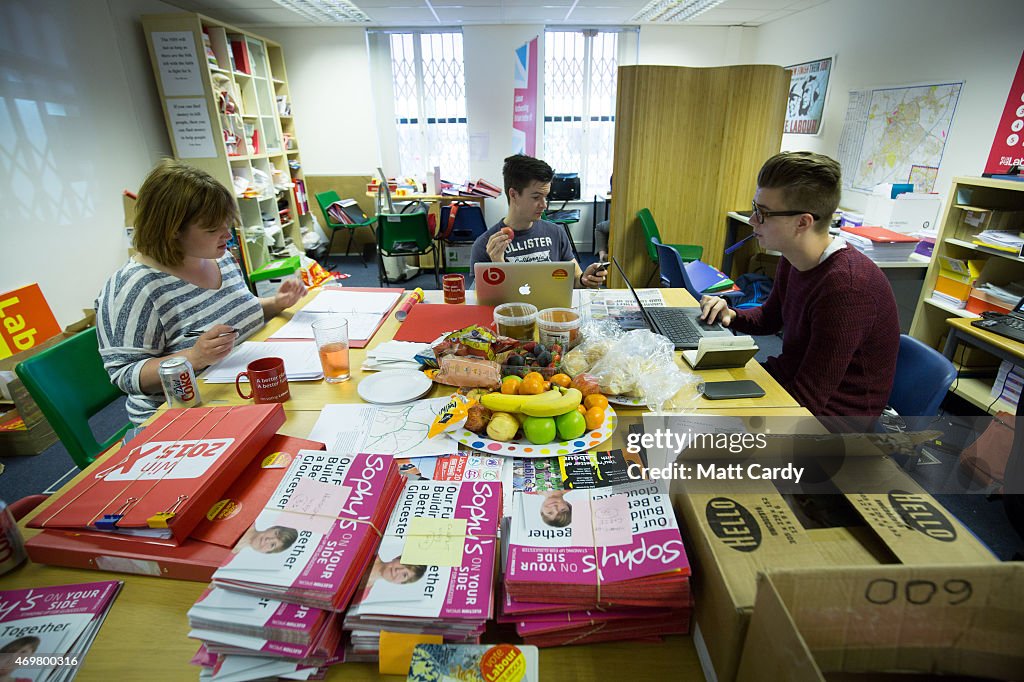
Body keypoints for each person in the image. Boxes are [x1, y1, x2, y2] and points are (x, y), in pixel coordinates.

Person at [96, 159, 306, 424]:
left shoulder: (219, 257)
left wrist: (275, 303)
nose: (227, 235)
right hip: (183, 416)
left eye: (227, 223)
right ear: (172, 232)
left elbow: (232, 315)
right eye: (212, 229)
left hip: (239, 390)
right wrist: (194, 357)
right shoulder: (134, 288)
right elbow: (125, 375)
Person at [700, 152, 899, 417]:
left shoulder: (847, 288)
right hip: (789, 386)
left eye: (763, 213)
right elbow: (768, 319)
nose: (752, 221)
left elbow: (808, 403)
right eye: (754, 207)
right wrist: (730, 314)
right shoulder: (793, 257)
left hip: (834, 425)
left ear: (802, 222)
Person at [469, 155, 607, 289]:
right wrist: (498, 266)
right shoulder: (486, 245)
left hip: (552, 311)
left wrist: (584, 280)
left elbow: (576, 279)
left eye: (545, 197)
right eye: (536, 197)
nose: (544, 205)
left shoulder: (556, 233)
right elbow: (484, 303)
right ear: (513, 194)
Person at [234, 525, 299, 554]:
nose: (268, 540)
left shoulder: (226, 561)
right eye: (275, 533)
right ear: (272, 528)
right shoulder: (248, 516)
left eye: (272, 545)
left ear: (265, 552)